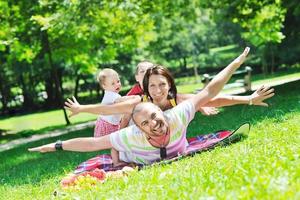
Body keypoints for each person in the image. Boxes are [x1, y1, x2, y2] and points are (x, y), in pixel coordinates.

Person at [29, 47, 271, 165]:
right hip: (136, 145)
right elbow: (105, 119)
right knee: (117, 141)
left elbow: (212, 95)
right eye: (152, 86)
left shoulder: (178, 108)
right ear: (145, 87)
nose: (157, 91)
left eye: (161, 85)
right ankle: (119, 162)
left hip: (172, 141)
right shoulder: (137, 107)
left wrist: (247, 96)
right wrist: (80, 113)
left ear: (168, 85)